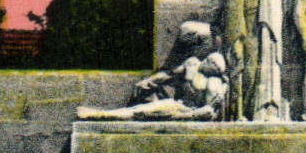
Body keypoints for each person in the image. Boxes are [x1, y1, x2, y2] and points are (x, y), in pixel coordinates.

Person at [77, 24, 229, 121]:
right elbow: (169, 74)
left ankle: (98, 115)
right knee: (138, 111)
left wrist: (180, 116)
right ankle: (98, 114)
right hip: (176, 104)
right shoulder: (192, 63)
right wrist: (148, 82)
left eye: (213, 66)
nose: (207, 63)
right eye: (208, 60)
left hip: (183, 110)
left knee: (139, 112)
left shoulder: (213, 83)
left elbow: (208, 112)